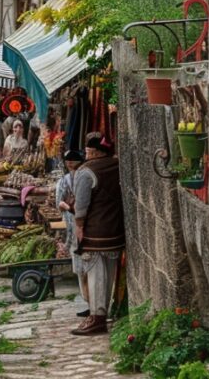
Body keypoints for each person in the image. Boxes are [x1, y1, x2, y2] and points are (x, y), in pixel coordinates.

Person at [71, 132, 125, 336]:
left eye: (87, 151)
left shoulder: (86, 171)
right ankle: (103, 312)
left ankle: (97, 317)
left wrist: (79, 225)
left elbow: (82, 204)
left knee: (95, 274)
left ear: (93, 152)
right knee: (108, 273)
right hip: (115, 229)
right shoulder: (116, 164)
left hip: (95, 231)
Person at [55, 149, 88, 317]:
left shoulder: (65, 181)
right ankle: (92, 303)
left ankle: (90, 302)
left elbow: (58, 202)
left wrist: (66, 207)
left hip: (76, 225)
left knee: (82, 268)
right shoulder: (87, 176)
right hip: (87, 225)